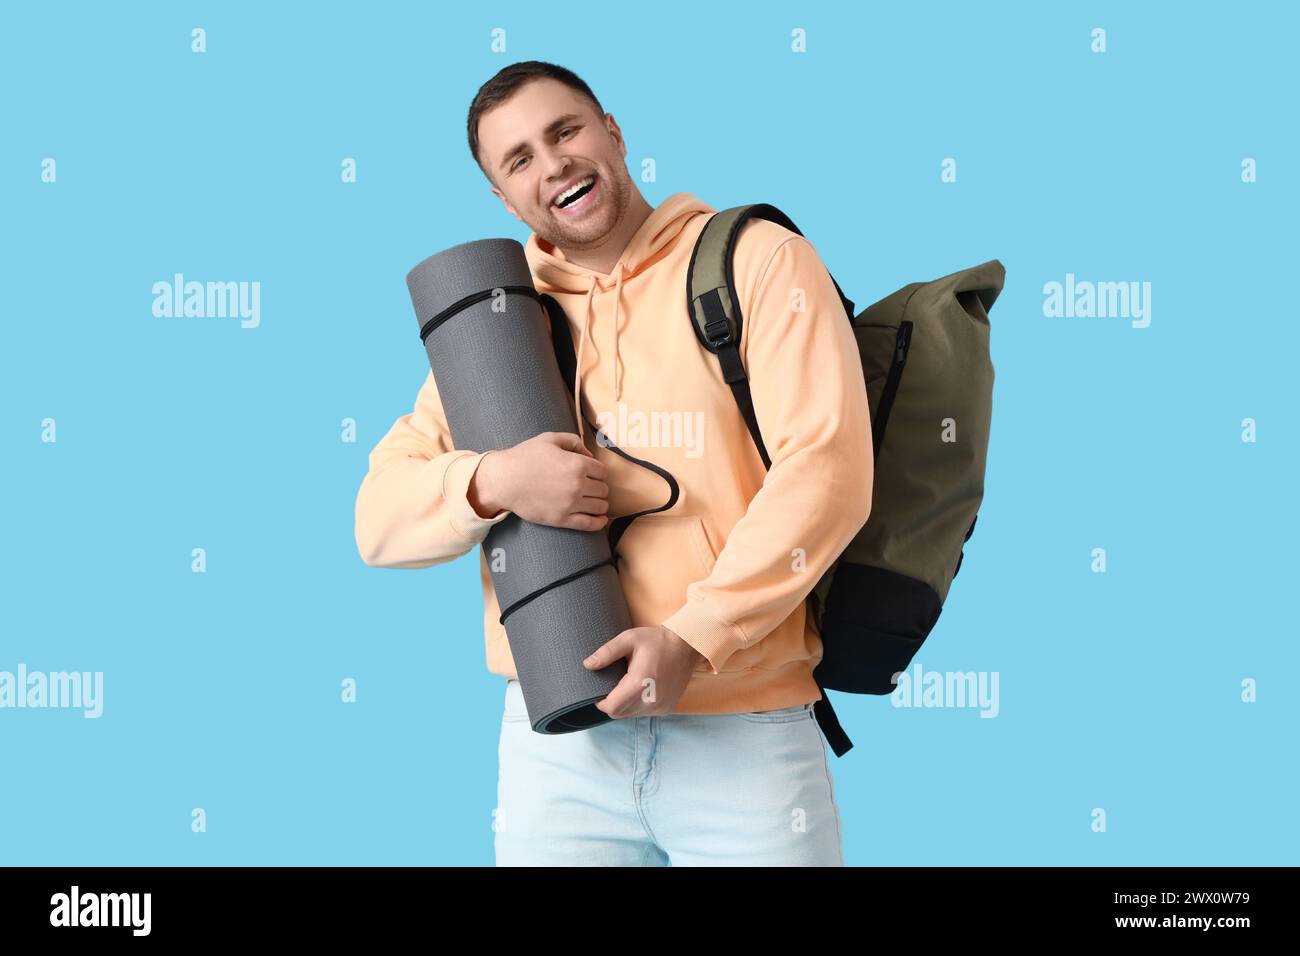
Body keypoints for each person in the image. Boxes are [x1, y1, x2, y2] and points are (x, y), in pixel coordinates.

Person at [354, 60, 873, 866]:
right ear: (502, 197)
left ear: (612, 134)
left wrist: (695, 638)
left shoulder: (756, 259)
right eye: (518, 158)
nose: (552, 162)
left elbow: (827, 472)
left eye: (565, 131)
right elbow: (378, 519)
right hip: (556, 743)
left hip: (744, 734)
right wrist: (492, 481)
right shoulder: (499, 322)